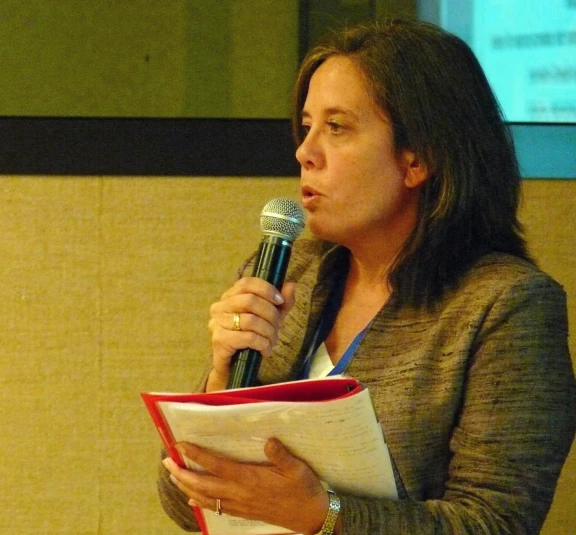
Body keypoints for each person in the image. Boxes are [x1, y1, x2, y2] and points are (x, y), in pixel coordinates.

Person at [156, 19, 576, 535]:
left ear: (418, 157)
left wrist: (321, 516)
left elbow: (497, 523)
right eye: (306, 126)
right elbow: (185, 503)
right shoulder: (292, 274)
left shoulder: (505, 307)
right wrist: (222, 377)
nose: (305, 152)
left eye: (336, 127)